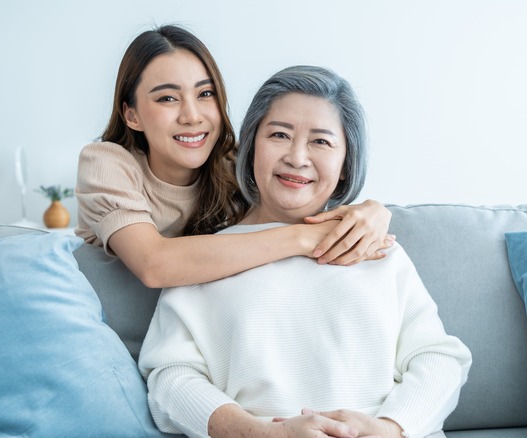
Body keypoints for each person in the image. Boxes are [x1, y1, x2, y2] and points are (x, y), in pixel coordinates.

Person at [138, 65, 472, 438]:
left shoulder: (377, 250)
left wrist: (389, 428)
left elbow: (438, 358)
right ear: (251, 149)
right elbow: (170, 377)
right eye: (279, 135)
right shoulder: (201, 261)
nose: (297, 158)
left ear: (346, 165)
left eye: (321, 141)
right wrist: (256, 433)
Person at [74, 25, 395, 289]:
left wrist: (372, 212)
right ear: (132, 116)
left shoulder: (234, 163)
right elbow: (154, 265)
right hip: (115, 332)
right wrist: (305, 238)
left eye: (205, 94)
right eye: (167, 98)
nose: (192, 116)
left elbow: (300, 196)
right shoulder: (106, 164)